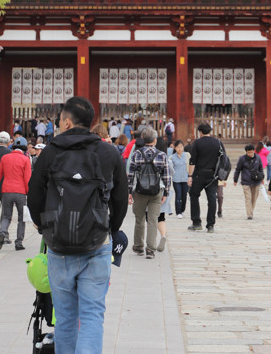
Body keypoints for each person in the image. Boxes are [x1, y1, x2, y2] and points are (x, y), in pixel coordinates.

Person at [27, 96, 129, 354]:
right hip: (96, 243)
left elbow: (34, 193)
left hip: (59, 247)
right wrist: (112, 228)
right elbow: (120, 197)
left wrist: (42, 226)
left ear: (68, 122)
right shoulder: (108, 152)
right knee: (92, 316)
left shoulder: (51, 151)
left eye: (60, 120)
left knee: (65, 317)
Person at [127, 127, 170, 258]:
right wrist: (166, 193)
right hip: (156, 191)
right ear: (155, 140)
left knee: (139, 219)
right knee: (153, 220)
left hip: (139, 191)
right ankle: (150, 249)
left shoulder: (136, 154)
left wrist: (129, 192)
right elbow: (167, 176)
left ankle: (138, 246)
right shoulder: (162, 155)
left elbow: (130, 175)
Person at [0, 135, 32, 251]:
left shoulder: (5, 158)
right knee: (21, 218)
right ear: (24, 148)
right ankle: (19, 242)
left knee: (6, 216)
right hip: (20, 192)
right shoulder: (25, 160)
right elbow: (27, 179)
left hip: (6, 191)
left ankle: (2, 234)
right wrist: (29, 193)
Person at [186, 123, 222, 233]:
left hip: (199, 174)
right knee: (212, 199)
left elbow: (193, 161)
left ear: (200, 132)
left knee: (194, 195)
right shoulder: (217, 142)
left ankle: (196, 222)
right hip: (212, 175)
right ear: (210, 131)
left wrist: (190, 176)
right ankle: (210, 225)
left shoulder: (197, 143)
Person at [233, 143, 264, 220]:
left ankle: (251, 211)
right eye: (248, 152)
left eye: (251, 152)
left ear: (254, 151)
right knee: (248, 198)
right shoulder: (242, 159)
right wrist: (235, 179)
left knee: (254, 198)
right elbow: (238, 169)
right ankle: (249, 214)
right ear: (246, 152)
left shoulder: (258, 158)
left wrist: (262, 178)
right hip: (246, 181)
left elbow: (261, 168)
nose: (250, 154)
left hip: (256, 181)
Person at [169, 140, 190, 218]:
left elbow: (191, 165)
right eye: (178, 147)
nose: (180, 149)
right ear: (175, 148)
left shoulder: (187, 155)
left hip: (185, 179)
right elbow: (170, 168)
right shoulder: (172, 157)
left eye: (181, 147)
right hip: (176, 179)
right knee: (178, 195)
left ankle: (182, 210)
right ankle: (178, 212)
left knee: (184, 195)